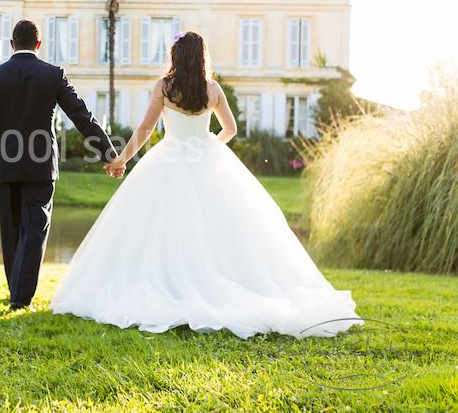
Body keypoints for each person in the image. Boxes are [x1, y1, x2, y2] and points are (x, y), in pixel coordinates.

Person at [50, 31, 361, 339]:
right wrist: (210, 145)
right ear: (201, 57)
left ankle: (170, 281)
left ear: (176, 56)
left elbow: (145, 128)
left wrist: (121, 161)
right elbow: (231, 128)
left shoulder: (165, 87)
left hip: (168, 160)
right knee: (218, 226)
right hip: (205, 158)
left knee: (160, 225)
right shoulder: (212, 90)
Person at [0, 19, 120, 311]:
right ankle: (20, 298)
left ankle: (17, 292)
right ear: (39, 45)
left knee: (12, 231)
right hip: (40, 165)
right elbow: (81, 116)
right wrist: (108, 154)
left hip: (7, 166)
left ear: (12, 45)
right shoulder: (53, 75)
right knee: (35, 229)